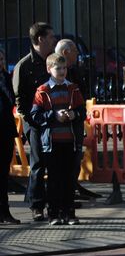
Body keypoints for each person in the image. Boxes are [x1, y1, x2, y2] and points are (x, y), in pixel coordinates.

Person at [29, 53, 86, 226]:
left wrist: (73, 114)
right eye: (58, 68)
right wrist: (53, 115)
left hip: (70, 140)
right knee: (54, 179)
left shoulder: (73, 89)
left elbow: (82, 111)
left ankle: (69, 213)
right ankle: (54, 213)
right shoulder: (43, 91)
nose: (62, 71)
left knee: (70, 178)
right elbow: (35, 115)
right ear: (49, 69)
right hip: (51, 143)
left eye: (64, 68)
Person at [12, 22, 57, 222]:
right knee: (38, 163)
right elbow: (19, 99)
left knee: (55, 163)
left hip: (55, 120)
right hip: (36, 122)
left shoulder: (54, 62)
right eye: (51, 37)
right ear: (40, 39)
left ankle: (55, 204)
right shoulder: (24, 65)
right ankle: (37, 205)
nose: (54, 40)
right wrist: (30, 122)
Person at [54, 38, 100, 200]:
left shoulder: (73, 71)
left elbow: (81, 94)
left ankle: (72, 188)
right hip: (61, 126)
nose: (78, 54)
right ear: (66, 52)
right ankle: (64, 194)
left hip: (76, 120)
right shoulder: (56, 74)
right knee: (63, 161)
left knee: (75, 158)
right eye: (74, 50)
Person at [0, 50, 20, 224]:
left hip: (5, 129)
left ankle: (5, 212)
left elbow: (11, 99)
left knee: (3, 174)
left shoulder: (5, 77)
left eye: (2, 59)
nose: (1, 62)